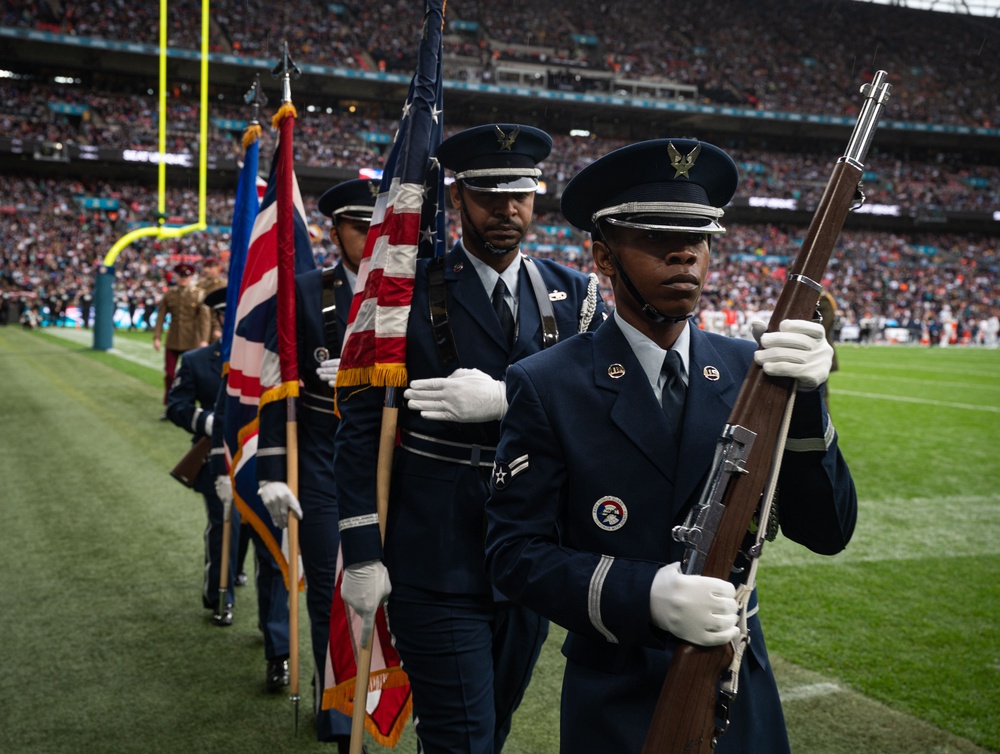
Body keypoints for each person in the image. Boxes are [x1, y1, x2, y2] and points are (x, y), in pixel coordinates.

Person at [484, 138, 859, 754]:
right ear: (603, 256)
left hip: (738, 687)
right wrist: (646, 595)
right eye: (657, 237)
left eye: (700, 237)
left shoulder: (752, 371)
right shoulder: (548, 383)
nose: (685, 252)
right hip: (617, 694)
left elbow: (828, 530)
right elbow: (515, 555)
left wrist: (810, 403)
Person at [334, 123, 607, 754]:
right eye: (488, 194)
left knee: (493, 728)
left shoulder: (575, 297)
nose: (507, 210)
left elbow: (601, 413)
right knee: (464, 738)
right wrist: (362, 549)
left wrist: (512, 400)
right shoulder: (403, 294)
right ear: (458, 198)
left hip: (532, 555)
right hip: (436, 554)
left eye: (521, 195)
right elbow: (361, 431)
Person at [253, 178, 376, 750]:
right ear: (336, 232)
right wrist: (275, 470)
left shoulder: (410, 292)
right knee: (332, 587)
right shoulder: (305, 292)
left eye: (379, 226)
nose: (371, 237)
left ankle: (388, 697)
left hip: (389, 463)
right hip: (324, 460)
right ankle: (338, 711)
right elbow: (278, 389)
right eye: (359, 227)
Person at [166, 286, 243, 626]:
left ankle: (237, 571)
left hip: (258, 453)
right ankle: (220, 594)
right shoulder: (196, 361)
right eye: (227, 317)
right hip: (215, 454)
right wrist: (209, 422)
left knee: (256, 528)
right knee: (224, 525)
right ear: (219, 319)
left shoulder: (271, 361)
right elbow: (176, 407)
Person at [153, 263, 211, 417]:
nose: (183, 279)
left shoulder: (199, 294)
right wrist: (157, 337)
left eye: (186, 276)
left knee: (191, 375)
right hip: (173, 339)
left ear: (191, 277)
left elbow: (205, 319)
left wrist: (204, 339)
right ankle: (169, 406)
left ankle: (190, 406)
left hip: (192, 339)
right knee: (169, 374)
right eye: (181, 276)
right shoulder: (170, 294)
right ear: (177, 277)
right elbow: (161, 316)